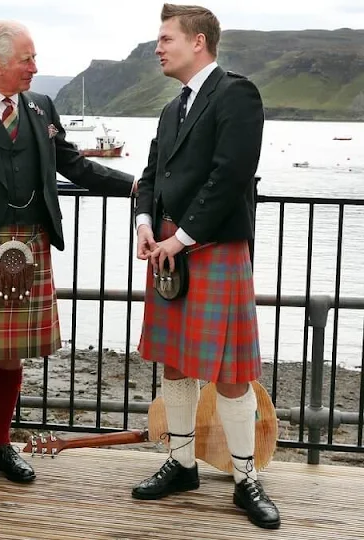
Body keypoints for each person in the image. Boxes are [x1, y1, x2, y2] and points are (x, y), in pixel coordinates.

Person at [0, 20, 135, 494]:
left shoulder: (41, 108)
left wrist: (132, 185)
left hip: (30, 243)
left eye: (34, 59)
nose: (34, 69)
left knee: (12, 354)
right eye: (27, 60)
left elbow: (74, 163)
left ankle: (2, 445)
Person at [133, 3, 281, 530]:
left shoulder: (235, 94)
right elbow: (150, 174)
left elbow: (232, 172)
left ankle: (245, 478)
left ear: (198, 41)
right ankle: (182, 463)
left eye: (166, 37)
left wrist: (185, 237)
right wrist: (146, 223)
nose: (158, 47)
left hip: (211, 248)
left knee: (231, 372)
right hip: (170, 247)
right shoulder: (173, 108)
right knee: (174, 361)